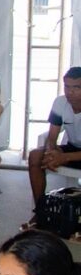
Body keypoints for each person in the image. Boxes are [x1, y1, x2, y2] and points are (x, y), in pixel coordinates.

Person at [28, 67, 81, 207]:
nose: (70, 92)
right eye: (67, 86)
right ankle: (40, 210)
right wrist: (51, 152)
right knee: (35, 156)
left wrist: (64, 157)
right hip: (72, 148)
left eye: (76, 87)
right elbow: (52, 136)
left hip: (74, 155)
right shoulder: (60, 102)